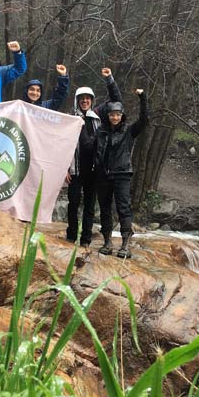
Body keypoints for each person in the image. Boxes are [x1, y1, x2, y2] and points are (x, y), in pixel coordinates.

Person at [66, 67, 122, 247]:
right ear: (77, 101)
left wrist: (109, 80)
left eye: (87, 99)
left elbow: (116, 101)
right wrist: (64, 168)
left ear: (91, 101)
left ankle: (86, 240)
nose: (85, 101)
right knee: (73, 203)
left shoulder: (98, 115)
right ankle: (71, 236)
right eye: (81, 99)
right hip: (75, 168)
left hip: (93, 169)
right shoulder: (69, 118)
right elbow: (61, 145)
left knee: (89, 206)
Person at [95, 89, 149, 258]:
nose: (115, 118)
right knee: (104, 208)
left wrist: (142, 98)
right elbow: (95, 151)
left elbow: (144, 120)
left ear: (122, 116)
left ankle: (125, 244)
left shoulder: (128, 131)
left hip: (122, 174)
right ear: (108, 116)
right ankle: (107, 242)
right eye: (112, 115)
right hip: (103, 175)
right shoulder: (101, 132)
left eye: (118, 114)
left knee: (123, 208)